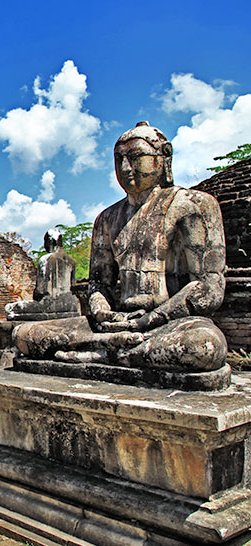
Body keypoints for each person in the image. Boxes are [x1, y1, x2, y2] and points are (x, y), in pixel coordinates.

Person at [13, 122, 227, 372]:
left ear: (164, 156)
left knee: (202, 347)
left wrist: (149, 320)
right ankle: (117, 351)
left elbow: (208, 288)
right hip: (116, 323)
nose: (125, 168)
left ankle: (101, 353)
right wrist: (102, 310)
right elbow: (99, 285)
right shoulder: (107, 218)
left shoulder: (193, 205)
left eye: (135, 157)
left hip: (167, 324)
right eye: (119, 160)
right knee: (24, 335)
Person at [5, 229, 79, 320]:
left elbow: (40, 290)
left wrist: (36, 298)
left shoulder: (46, 259)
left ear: (50, 241)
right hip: (70, 305)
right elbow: (73, 286)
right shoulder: (71, 261)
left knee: (11, 308)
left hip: (49, 304)